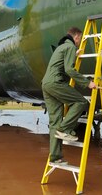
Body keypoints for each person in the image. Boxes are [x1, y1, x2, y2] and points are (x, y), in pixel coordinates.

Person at [42, 27, 96, 165]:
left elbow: (61, 62)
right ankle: (65, 129)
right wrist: (87, 83)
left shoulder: (62, 47)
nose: (78, 43)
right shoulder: (70, 47)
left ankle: (56, 157)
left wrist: (75, 54)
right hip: (56, 82)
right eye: (79, 39)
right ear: (77, 37)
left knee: (55, 121)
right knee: (80, 102)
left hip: (46, 84)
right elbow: (69, 70)